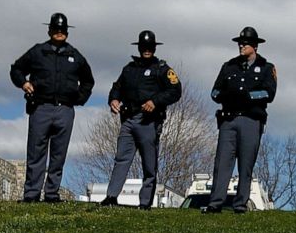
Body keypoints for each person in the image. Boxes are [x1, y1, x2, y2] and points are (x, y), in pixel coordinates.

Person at [10, 13, 94, 203]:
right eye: (56, 29)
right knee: (36, 152)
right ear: (49, 30)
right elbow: (16, 69)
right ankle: (31, 194)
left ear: (67, 32)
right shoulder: (38, 52)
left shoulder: (75, 55)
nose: (59, 33)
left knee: (59, 154)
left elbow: (88, 81)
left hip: (65, 110)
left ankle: (52, 194)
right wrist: (23, 83)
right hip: (41, 108)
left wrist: (78, 99)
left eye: (62, 30)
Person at [99, 31, 182, 210]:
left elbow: (175, 91)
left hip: (149, 121)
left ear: (154, 48)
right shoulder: (129, 69)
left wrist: (155, 102)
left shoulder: (162, 69)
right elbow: (117, 87)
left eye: (150, 47)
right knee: (121, 158)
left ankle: (145, 202)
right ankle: (111, 197)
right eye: (144, 47)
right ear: (139, 48)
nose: (147, 50)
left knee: (149, 164)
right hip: (128, 119)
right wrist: (113, 99)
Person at [203, 26, 277, 213]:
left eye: (245, 43)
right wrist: (229, 96)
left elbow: (269, 93)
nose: (241, 46)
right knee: (222, 162)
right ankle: (215, 203)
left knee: (246, 163)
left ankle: (240, 204)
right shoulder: (228, 66)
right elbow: (215, 92)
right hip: (229, 120)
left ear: (255, 46)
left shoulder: (267, 68)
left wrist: (246, 97)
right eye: (240, 43)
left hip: (251, 120)